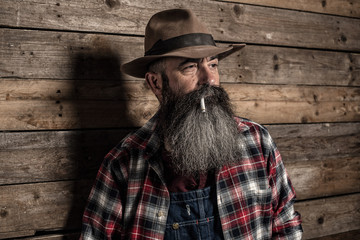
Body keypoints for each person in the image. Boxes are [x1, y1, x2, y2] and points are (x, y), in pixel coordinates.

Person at [80, 8, 302, 240]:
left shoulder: (257, 142)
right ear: (156, 83)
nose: (210, 80)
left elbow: (286, 225)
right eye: (190, 67)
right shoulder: (124, 163)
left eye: (213, 65)